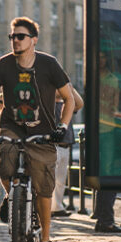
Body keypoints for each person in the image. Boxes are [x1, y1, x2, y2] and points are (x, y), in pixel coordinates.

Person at [0, 16, 75, 242]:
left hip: (43, 131)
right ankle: (12, 197)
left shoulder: (49, 64)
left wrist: (62, 127)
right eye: (12, 37)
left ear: (33, 40)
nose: (15, 41)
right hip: (11, 127)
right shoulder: (4, 64)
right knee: (5, 164)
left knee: (43, 186)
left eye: (20, 36)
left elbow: (69, 99)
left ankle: (45, 240)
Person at [94, 52, 121, 233]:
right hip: (98, 130)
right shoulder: (92, 77)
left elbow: (115, 106)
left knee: (107, 174)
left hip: (108, 129)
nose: (101, 59)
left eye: (104, 56)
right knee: (105, 175)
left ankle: (103, 218)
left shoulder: (113, 80)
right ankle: (104, 219)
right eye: (99, 56)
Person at [51, 86, 83, 218]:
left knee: (60, 180)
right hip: (53, 145)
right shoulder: (49, 104)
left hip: (65, 146)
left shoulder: (67, 104)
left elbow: (80, 103)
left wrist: (70, 87)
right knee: (50, 179)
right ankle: (48, 207)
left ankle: (57, 207)